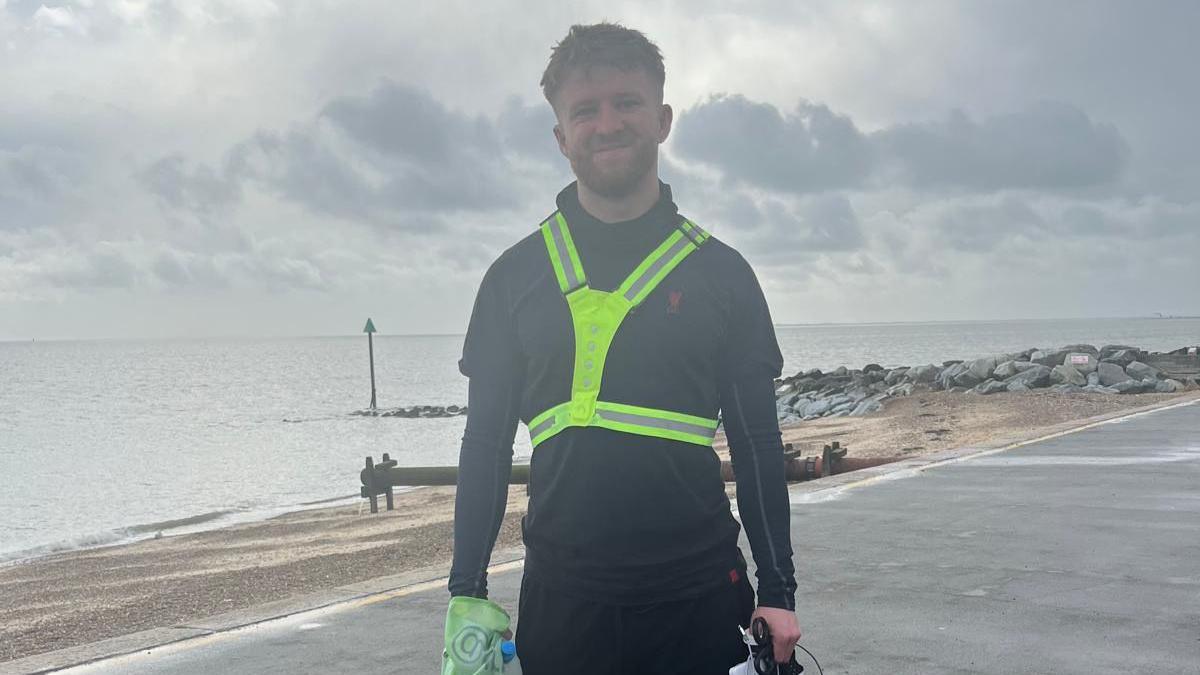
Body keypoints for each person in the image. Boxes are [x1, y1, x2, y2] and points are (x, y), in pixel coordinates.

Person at [448, 22, 801, 674]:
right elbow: (486, 446)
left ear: (663, 119)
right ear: (561, 136)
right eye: (585, 110)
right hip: (563, 605)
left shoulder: (723, 275)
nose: (606, 123)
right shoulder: (513, 279)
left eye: (626, 103)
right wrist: (465, 592)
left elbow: (756, 443)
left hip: (700, 599)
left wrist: (778, 591)